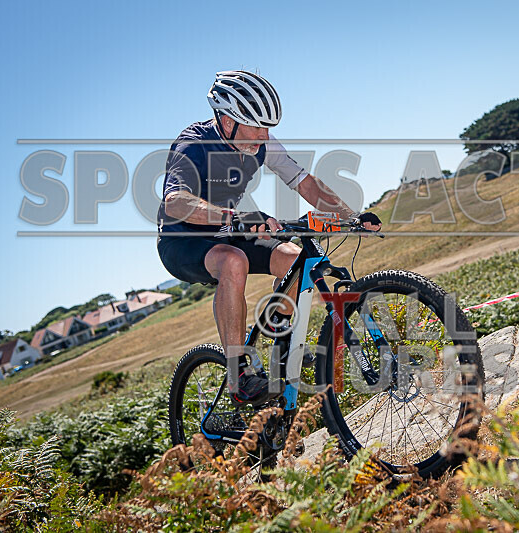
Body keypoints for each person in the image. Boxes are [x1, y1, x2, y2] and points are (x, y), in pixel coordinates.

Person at [156, 70, 381, 405]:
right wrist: (236, 217)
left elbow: (305, 182)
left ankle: (279, 328)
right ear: (227, 120)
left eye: (268, 128)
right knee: (234, 262)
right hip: (183, 240)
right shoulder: (193, 144)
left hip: (229, 230)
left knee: (296, 258)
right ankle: (238, 375)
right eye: (256, 126)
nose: (263, 135)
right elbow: (175, 202)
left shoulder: (261, 143)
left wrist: (350, 216)